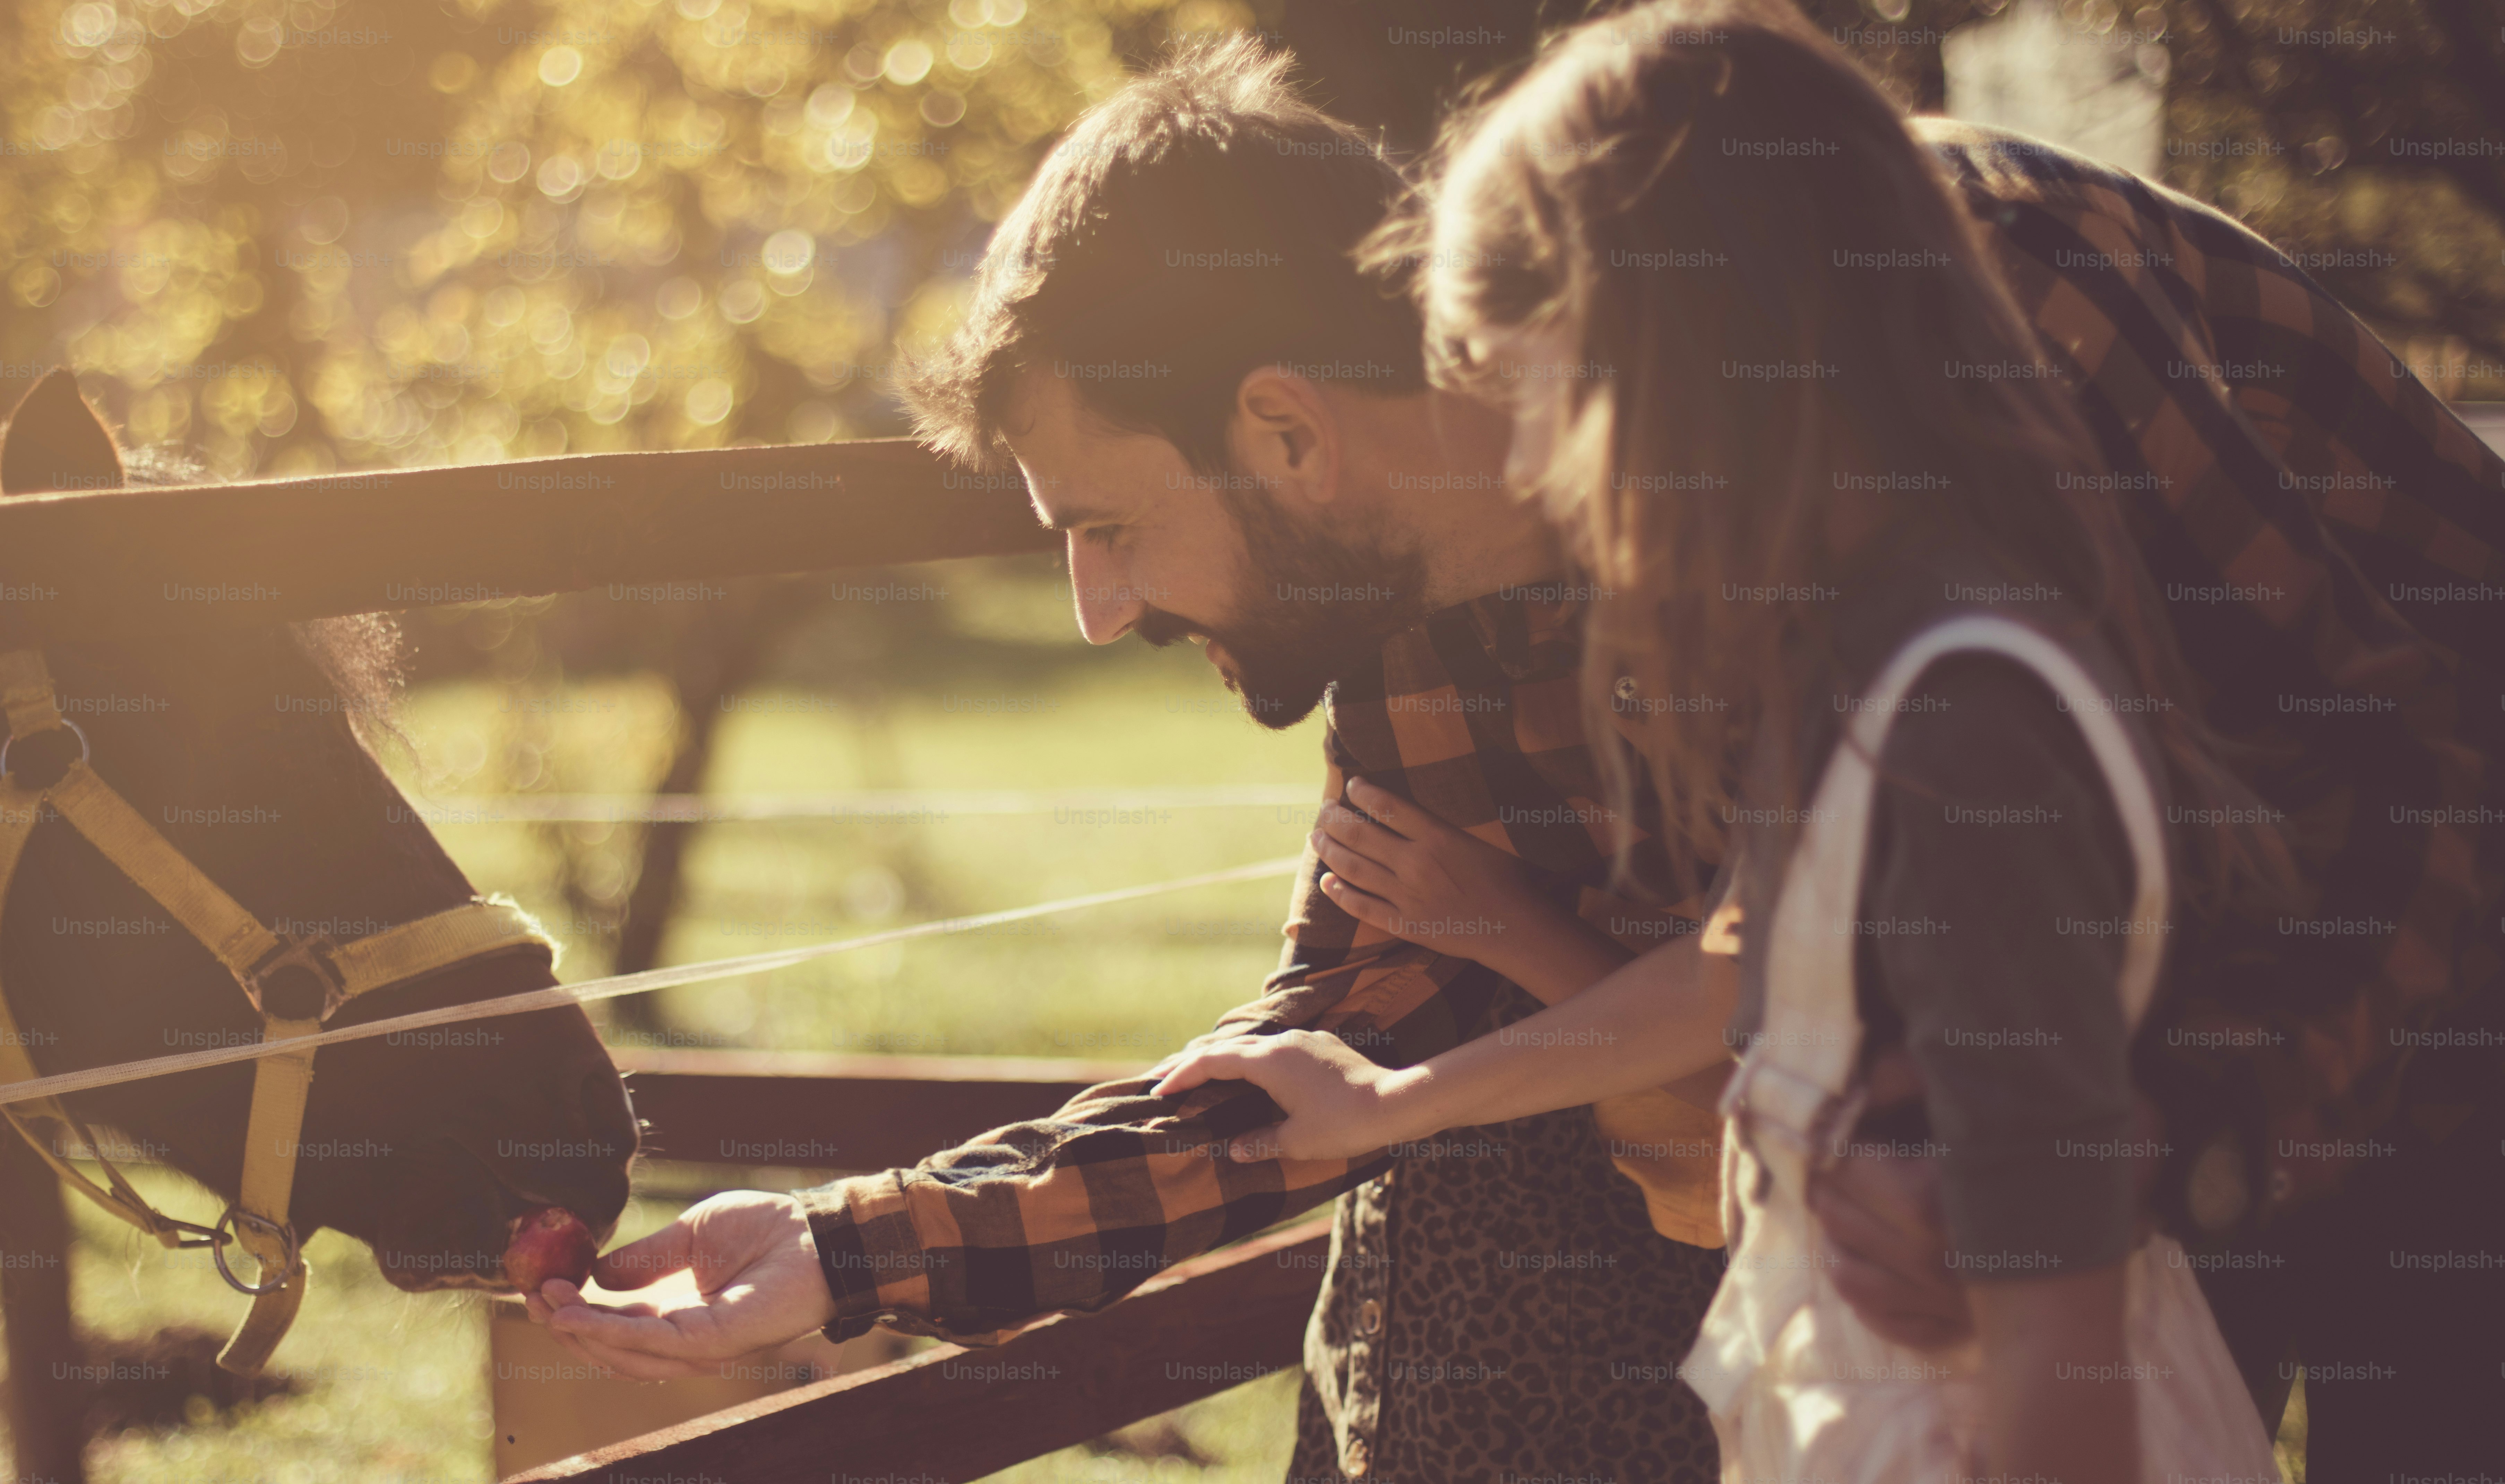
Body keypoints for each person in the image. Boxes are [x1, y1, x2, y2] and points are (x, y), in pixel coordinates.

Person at [1159, 0, 2505, 1476]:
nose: (1531, 468)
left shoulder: (1958, 729)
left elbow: (2055, 1341)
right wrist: (1394, 1103)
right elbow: (1754, 970)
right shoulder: (1837, 678)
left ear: (1666, 360)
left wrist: (2178, 1155)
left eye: (1533, 391)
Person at [530, 37, 1739, 1483]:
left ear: (1288, 427)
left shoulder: (1793, 522)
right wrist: (842, 1247)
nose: (1098, 616)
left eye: (1107, 528)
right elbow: (1294, 1085)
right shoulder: (1411, 666)